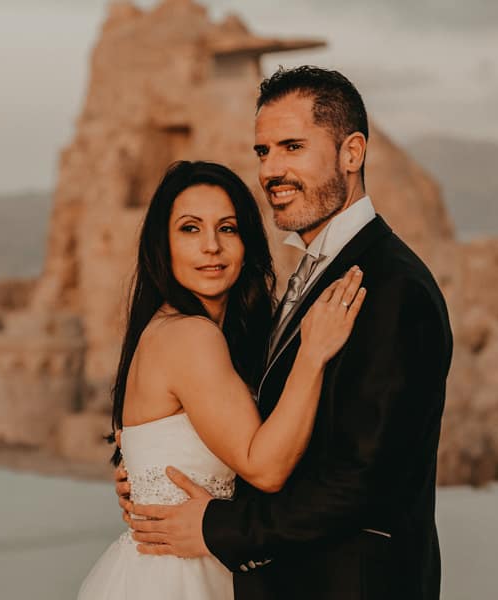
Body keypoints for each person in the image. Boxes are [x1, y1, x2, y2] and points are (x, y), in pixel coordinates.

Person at [118, 66, 453, 600]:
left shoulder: (392, 287)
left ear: (352, 153)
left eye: (292, 147)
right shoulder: (303, 281)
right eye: (263, 152)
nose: (272, 169)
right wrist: (150, 470)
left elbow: (360, 482)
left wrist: (212, 526)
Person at [77, 160, 366, 600]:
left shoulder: (200, 335)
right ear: (162, 246)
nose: (211, 246)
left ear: (247, 242)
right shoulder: (189, 336)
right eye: (190, 229)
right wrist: (313, 352)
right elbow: (265, 468)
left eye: (227, 228)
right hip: (178, 580)